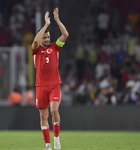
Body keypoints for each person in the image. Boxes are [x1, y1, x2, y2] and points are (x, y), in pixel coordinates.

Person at [31, 8, 69, 150]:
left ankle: (57, 140)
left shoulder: (55, 47)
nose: (47, 40)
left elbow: (65, 34)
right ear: (41, 38)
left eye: (48, 37)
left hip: (54, 84)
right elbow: (35, 41)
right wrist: (45, 25)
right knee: (43, 115)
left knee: (54, 110)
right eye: (45, 38)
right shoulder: (35, 49)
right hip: (40, 85)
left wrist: (57, 20)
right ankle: (47, 145)